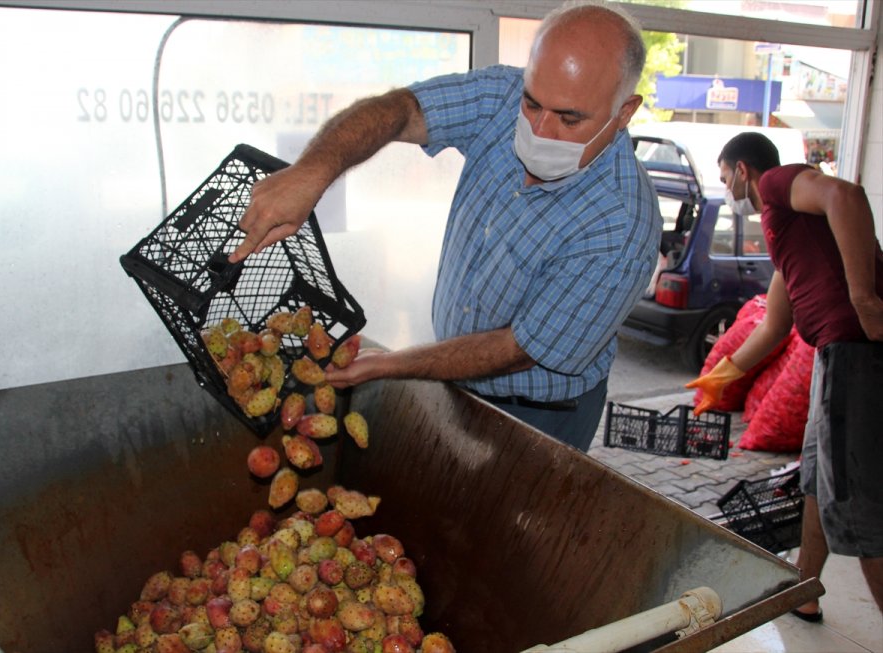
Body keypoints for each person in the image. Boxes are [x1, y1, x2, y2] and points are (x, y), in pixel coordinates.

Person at [230, 0, 661, 451]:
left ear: (624, 111)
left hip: (538, 413)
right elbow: (401, 110)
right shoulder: (502, 96)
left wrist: (393, 365)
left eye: (570, 118)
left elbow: (515, 350)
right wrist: (312, 172)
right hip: (459, 380)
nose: (539, 129)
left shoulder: (620, 225)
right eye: (533, 104)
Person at [686, 132, 883, 619]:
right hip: (833, 356)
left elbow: (847, 194)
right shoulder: (788, 228)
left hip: (853, 351)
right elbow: (775, 326)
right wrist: (720, 378)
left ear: (743, 171)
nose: (724, 184)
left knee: (855, 508)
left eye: (723, 174)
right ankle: (804, 590)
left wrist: (864, 299)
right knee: (816, 479)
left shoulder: (775, 185)